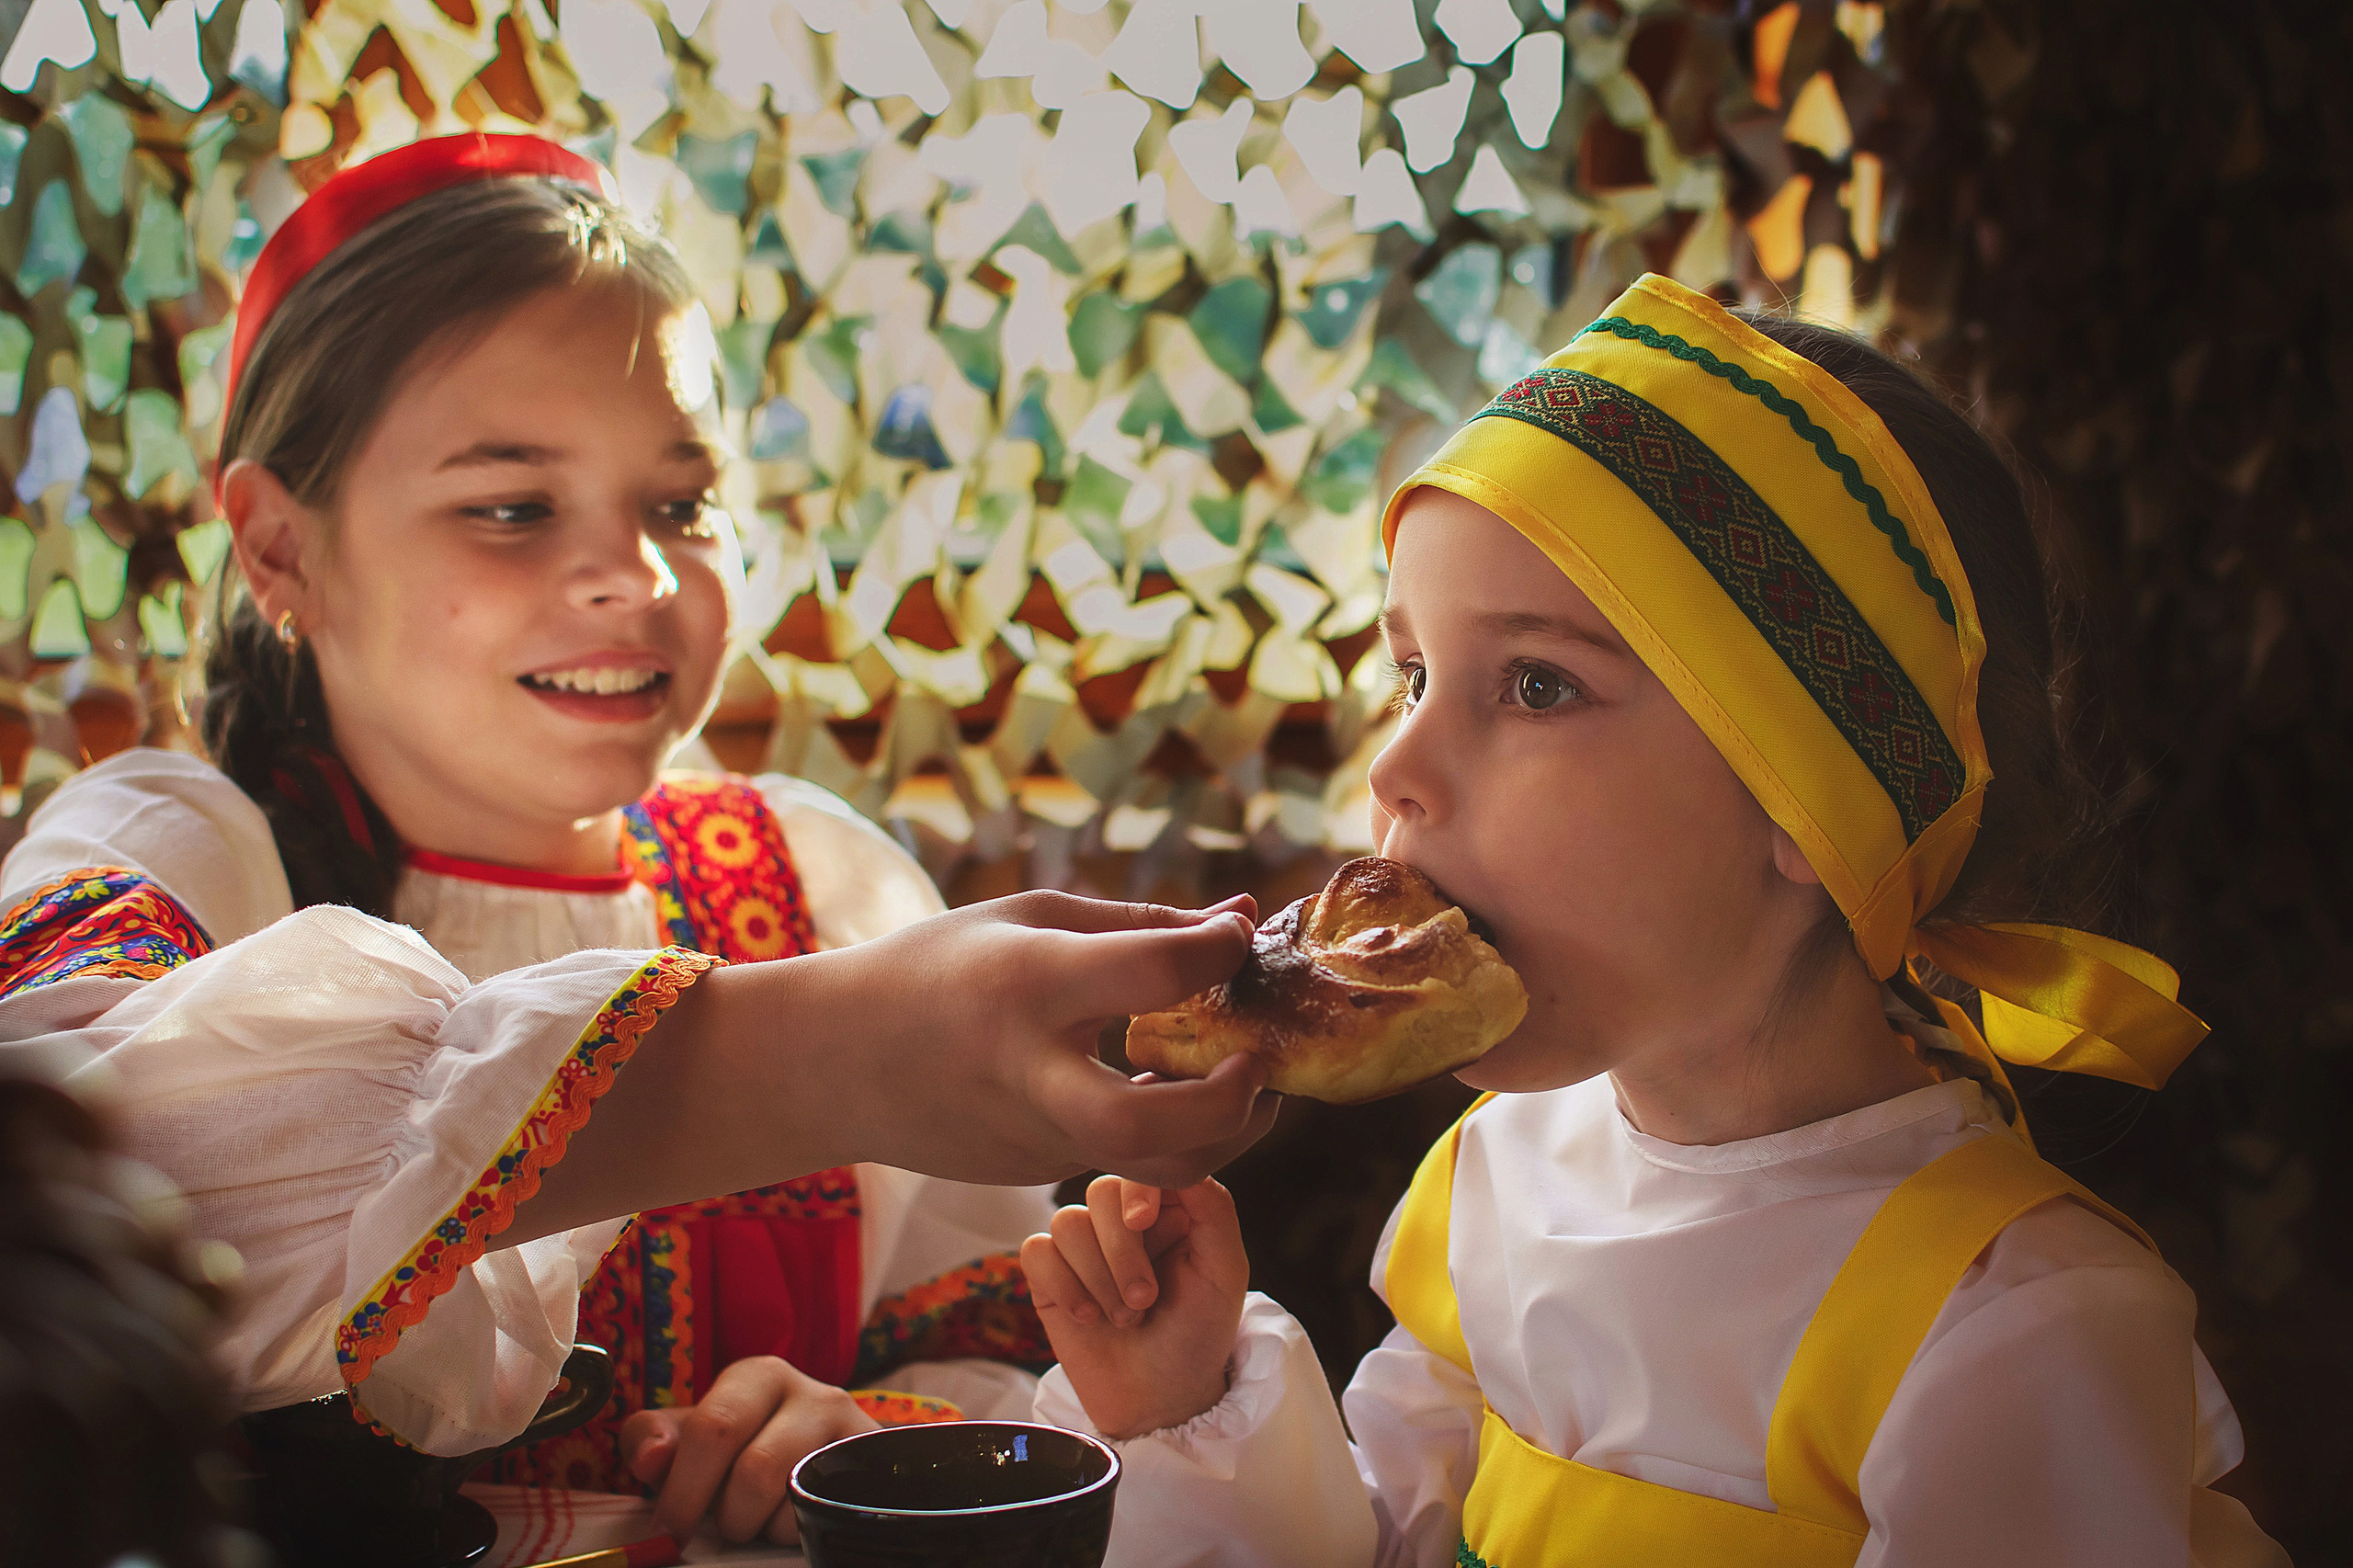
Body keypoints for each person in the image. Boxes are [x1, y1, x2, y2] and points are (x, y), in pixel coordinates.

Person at [0, 133, 1275, 1548]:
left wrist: (865, 1429)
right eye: (512, 506)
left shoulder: (815, 883)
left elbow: (990, 1339)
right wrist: (819, 1053)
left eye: (681, 503)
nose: (639, 574)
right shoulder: (176, 849)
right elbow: (58, 1185)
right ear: (280, 546)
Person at [1018, 277, 2290, 1566]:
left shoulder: (2006, 1332)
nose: (1396, 763)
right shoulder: (1494, 1184)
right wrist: (1184, 1413)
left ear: (1813, 790)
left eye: (1535, 682)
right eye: (1412, 673)